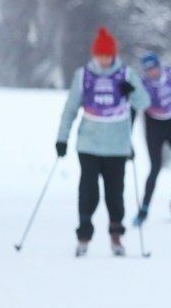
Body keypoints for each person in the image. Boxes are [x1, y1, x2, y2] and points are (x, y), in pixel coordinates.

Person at [55, 26, 150, 256]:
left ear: (114, 54)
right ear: (94, 54)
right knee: (88, 191)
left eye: (108, 55)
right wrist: (62, 138)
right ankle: (84, 235)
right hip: (89, 144)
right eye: (100, 55)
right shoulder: (83, 75)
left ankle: (116, 236)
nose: (104, 60)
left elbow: (143, 103)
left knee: (114, 193)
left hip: (117, 146)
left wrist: (132, 90)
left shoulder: (126, 74)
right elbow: (70, 109)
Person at [134, 52, 171, 224]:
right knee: (155, 167)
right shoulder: (142, 85)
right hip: (154, 125)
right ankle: (144, 208)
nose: (153, 72)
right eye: (148, 70)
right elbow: (137, 104)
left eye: (154, 68)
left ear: (159, 65)